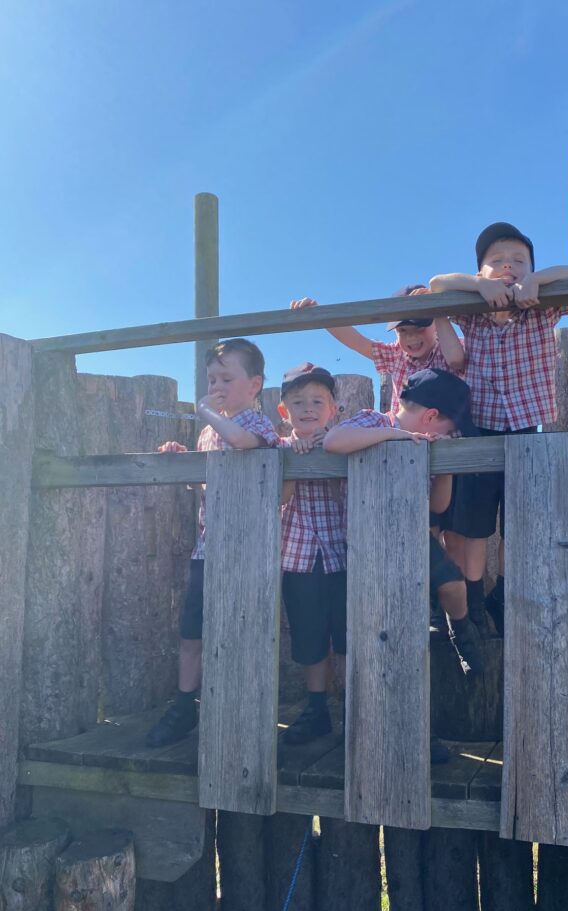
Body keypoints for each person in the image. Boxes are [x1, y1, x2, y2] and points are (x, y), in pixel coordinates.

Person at [429, 222, 568, 636]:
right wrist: (480, 288)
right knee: (477, 523)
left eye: (519, 260)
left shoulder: (541, 306)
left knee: (521, 520)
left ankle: (507, 594)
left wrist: (538, 280)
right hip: (479, 428)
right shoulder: (473, 313)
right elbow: (436, 283)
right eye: (496, 261)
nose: (508, 267)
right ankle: (477, 601)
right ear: (480, 271)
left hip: (524, 429)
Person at [323, 367, 484, 766]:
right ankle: (386, 737)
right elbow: (333, 440)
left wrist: (442, 463)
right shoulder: (374, 422)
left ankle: (462, 633)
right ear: (432, 416)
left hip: (411, 540)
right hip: (366, 550)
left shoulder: (428, 443)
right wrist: (396, 437)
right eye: (449, 424)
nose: (449, 432)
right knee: (383, 651)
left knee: (447, 594)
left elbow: (438, 507)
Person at [146, 338, 280, 747]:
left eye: (226, 377)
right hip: (208, 549)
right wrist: (183, 459)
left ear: (254, 385)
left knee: (240, 632)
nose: (216, 385)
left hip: (248, 551)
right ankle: (186, 704)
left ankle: (240, 709)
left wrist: (204, 408)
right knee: (192, 632)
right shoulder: (208, 432)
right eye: (211, 379)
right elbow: (208, 483)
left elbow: (240, 443)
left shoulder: (258, 425)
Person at [277, 363, 347, 744]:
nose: (308, 408)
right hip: (300, 558)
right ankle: (316, 708)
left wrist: (325, 452)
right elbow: (279, 498)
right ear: (283, 411)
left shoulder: (344, 440)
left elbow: (345, 493)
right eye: (298, 402)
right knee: (309, 638)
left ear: (333, 408)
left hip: (343, 555)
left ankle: (356, 707)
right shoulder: (277, 448)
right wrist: (295, 461)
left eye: (317, 401)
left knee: (350, 635)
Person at [289, 285, 464, 416]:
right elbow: (356, 341)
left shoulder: (450, 348)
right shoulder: (396, 354)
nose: (411, 338)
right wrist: (320, 314)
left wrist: (439, 305)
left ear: (435, 324)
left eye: (419, 328)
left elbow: (458, 358)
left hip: (444, 434)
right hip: (405, 438)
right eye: (403, 331)